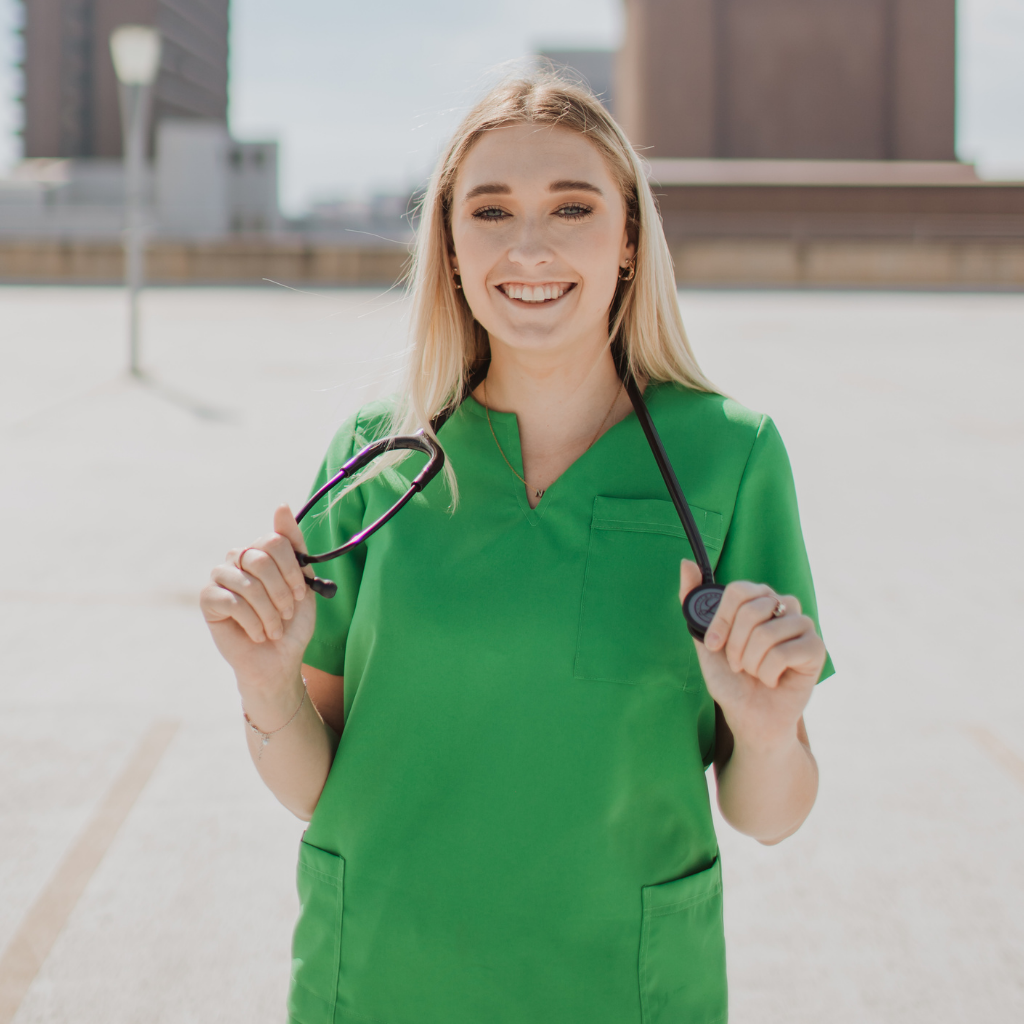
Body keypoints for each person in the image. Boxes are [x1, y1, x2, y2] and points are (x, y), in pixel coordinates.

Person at [200, 72, 833, 1024]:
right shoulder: (377, 460)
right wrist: (265, 686)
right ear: (450, 248)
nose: (528, 246)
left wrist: (767, 729)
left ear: (627, 240)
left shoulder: (730, 456)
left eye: (571, 207)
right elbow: (312, 788)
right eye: (490, 210)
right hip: (381, 973)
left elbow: (768, 813)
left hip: (622, 985)